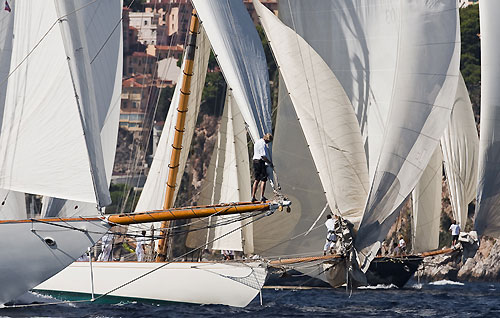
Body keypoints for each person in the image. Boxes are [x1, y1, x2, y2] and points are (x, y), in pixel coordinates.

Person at [251, 133, 273, 202]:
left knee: (256, 180)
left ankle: (253, 196)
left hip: (255, 161)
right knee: (263, 180)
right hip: (260, 162)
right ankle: (262, 196)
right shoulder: (263, 144)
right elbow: (263, 156)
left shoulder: (257, 142)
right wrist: (269, 163)